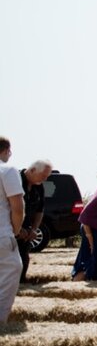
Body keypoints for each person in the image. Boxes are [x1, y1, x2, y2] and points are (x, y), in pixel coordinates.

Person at [0, 136, 26, 321]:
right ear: (6, 150)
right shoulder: (7, 171)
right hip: (2, 233)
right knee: (12, 270)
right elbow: (18, 208)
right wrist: (15, 231)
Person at [17, 160, 51, 281]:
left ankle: (21, 282)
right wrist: (17, 228)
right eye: (43, 176)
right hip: (9, 229)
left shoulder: (39, 187)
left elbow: (40, 210)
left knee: (24, 257)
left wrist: (34, 229)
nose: (45, 179)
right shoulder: (15, 181)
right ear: (32, 170)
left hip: (26, 231)